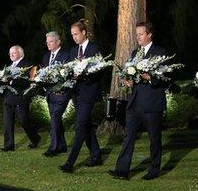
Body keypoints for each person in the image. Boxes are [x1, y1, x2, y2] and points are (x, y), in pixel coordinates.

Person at [109, 21, 169, 181]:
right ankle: (122, 170)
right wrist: (128, 81)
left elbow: (166, 78)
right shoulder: (135, 53)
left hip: (152, 103)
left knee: (154, 139)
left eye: (141, 34)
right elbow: (129, 74)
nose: (138, 37)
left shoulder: (160, 53)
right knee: (128, 137)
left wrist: (151, 78)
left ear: (149, 34)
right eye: (136, 35)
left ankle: (154, 170)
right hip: (134, 102)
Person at [59, 20, 103, 173]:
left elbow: (100, 71)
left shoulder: (94, 48)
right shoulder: (72, 51)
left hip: (89, 93)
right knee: (86, 125)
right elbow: (69, 70)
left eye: (76, 34)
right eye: (72, 35)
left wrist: (84, 76)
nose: (74, 37)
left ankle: (70, 162)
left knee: (80, 126)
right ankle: (96, 156)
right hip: (76, 94)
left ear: (84, 32)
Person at [1, 45, 41, 151]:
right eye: (10, 53)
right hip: (8, 98)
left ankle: (35, 138)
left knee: (24, 121)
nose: (11, 55)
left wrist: (11, 81)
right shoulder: (9, 66)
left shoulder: (28, 65)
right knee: (7, 122)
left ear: (20, 53)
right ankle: (8, 146)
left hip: (20, 98)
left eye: (13, 52)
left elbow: (30, 81)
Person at [41, 31, 73, 157]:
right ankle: (62, 145)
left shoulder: (66, 55)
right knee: (56, 120)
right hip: (50, 94)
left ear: (58, 42)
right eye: (47, 42)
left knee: (54, 118)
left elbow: (68, 74)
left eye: (51, 42)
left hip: (61, 93)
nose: (48, 44)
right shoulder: (45, 57)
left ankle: (53, 147)